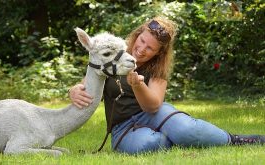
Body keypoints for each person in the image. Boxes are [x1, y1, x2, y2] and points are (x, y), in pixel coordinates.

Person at [69, 17, 265, 154]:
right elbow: (89, 82)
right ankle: (177, 138)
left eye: (150, 48)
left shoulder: (157, 69)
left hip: (154, 114)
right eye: (142, 40)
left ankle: (234, 140)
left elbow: (153, 106)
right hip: (123, 127)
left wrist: (138, 86)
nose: (141, 49)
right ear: (137, 35)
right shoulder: (113, 52)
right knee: (149, 144)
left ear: (158, 53)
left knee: (187, 130)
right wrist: (75, 90)